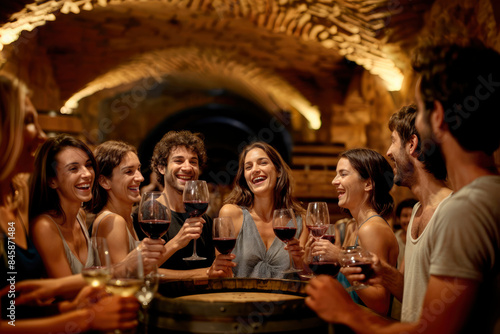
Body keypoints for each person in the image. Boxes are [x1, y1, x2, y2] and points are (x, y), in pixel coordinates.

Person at [305, 42, 500, 333]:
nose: (388, 152)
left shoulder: (463, 210)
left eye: (420, 109)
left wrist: (347, 312)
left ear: (437, 117)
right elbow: (419, 296)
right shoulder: (474, 199)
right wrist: (385, 274)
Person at [0, 74, 138, 332]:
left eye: (88, 166)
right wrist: (79, 319)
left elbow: (14, 307)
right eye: (29, 121)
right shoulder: (41, 222)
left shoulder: (13, 208)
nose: (41, 135)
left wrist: (67, 307)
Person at [311, 148, 398, 315]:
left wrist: (340, 257)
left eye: (343, 174)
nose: (334, 181)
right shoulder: (353, 226)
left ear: (368, 184)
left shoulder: (371, 228)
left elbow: (380, 304)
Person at [208, 141, 307, 279]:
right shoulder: (231, 213)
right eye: (248, 167)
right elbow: (222, 274)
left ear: (278, 171)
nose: (255, 170)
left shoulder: (299, 220)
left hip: (285, 299)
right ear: (245, 177)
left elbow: (306, 277)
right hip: (241, 298)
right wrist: (216, 270)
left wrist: (299, 261)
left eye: (263, 163)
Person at [146, 130, 215, 277]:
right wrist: (178, 241)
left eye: (193, 162)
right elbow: (142, 272)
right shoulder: (145, 216)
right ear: (161, 168)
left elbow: (212, 268)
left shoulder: (205, 221)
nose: (187, 167)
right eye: (178, 161)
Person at [91, 140, 166, 272]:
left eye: (138, 169)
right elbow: (123, 282)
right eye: (129, 172)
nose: (140, 178)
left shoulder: (129, 218)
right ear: (104, 181)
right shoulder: (112, 221)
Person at [393, 199, 418, 269]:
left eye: (412, 215)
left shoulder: (423, 239)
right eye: (405, 216)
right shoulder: (394, 239)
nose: (408, 220)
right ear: (398, 218)